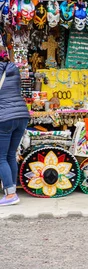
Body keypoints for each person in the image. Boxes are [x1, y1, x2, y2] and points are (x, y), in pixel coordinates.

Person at [0, 46, 30, 206]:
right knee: (11, 154)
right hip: (21, 115)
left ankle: (10, 195)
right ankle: (12, 191)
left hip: (4, 117)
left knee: (1, 157)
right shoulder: (13, 69)